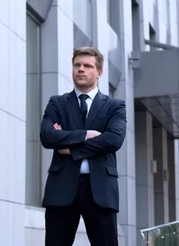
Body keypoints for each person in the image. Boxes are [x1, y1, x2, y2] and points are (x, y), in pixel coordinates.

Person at [40, 47, 126, 246]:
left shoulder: (115, 106)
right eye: (77, 65)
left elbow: (114, 139)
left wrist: (71, 147)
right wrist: (86, 134)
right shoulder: (57, 103)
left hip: (100, 190)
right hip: (61, 188)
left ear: (99, 72)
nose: (81, 69)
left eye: (87, 66)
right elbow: (48, 136)